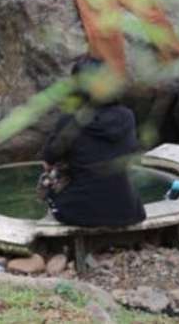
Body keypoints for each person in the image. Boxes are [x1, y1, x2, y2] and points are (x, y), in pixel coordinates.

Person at [40, 56, 146, 228]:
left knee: (50, 179)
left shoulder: (70, 120)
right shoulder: (127, 117)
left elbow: (47, 162)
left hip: (80, 214)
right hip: (128, 211)